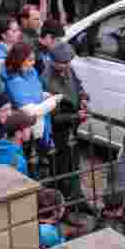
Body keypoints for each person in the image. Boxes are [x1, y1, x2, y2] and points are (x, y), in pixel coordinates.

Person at [42, 42, 87, 182]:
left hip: (72, 127)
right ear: (54, 61)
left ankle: (73, 185)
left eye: (69, 62)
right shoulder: (47, 80)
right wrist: (75, 116)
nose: (68, 65)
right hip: (58, 132)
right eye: (63, 63)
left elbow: (78, 84)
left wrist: (83, 97)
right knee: (62, 165)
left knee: (74, 162)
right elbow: (53, 117)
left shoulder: (68, 68)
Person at [0, 111, 35, 177]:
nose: (31, 130)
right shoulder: (17, 160)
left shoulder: (0, 146)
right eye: (28, 127)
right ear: (18, 133)